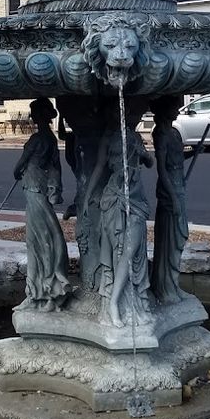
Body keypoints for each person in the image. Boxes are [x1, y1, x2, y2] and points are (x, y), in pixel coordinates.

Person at [85, 123, 153, 327]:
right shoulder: (108, 138)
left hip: (136, 196)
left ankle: (133, 303)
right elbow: (99, 166)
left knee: (132, 251)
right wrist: (88, 196)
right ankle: (114, 303)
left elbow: (150, 162)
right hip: (114, 196)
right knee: (120, 251)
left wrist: (143, 152)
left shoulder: (135, 137)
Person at [12, 98, 71, 311]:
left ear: (39, 116)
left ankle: (47, 292)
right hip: (40, 187)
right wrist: (56, 189)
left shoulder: (37, 139)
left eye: (33, 112)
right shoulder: (51, 139)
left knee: (40, 240)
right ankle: (38, 292)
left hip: (33, 187)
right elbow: (56, 168)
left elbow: (18, 166)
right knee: (41, 239)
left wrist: (19, 170)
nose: (32, 116)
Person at [150, 96, 190, 304]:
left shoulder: (174, 133)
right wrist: (173, 197)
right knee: (170, 237)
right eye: (174, 107)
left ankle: (172, 284)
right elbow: (161, 168)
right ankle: (165, 287)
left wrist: (192, 154)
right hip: (169, 190)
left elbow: (177, 160)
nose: (177, 110)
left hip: (178, 185)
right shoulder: (161, 134)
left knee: (179, 238)